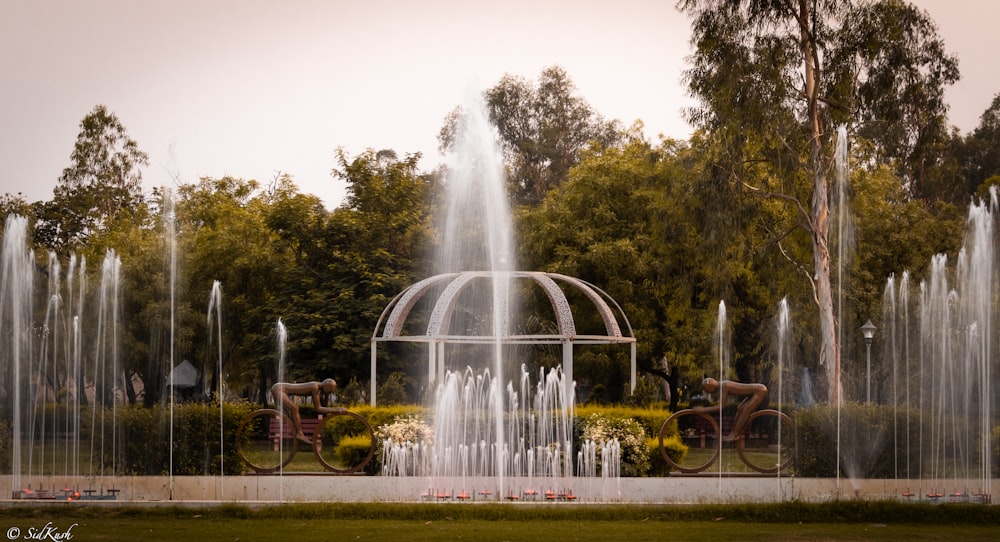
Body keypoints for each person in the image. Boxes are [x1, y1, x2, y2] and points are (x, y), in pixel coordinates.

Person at [695, 377, 768, 442]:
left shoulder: (724, 386)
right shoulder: (722, 385)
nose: (708, 392)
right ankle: (734, 433)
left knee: (745, 411)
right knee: (740, 409)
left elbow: (721, 406)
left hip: (760, 390)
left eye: (706, 390)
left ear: (710, 388)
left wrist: (703, 410)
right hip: (757, 390)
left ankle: (735, 434)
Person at [270, 379, 339, 443]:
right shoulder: (314, 387)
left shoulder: (317, 388)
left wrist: (326, 396)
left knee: (291, 413)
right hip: (278, 389)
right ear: (327, 385)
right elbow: (318, 408)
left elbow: (324, 407)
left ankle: (294, 431)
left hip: (278, 388)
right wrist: (337, 410)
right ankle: (300, 434)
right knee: (295, 408)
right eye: (331, 388)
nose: (331, 391)